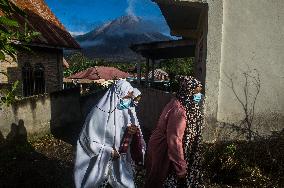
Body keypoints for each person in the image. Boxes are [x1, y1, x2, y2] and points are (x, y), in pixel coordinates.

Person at [74, 79, 145, 188]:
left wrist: (132, 132)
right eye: (126, 97)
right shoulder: (98, 114)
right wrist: (109, 151)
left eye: (130, 97)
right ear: (116, 96)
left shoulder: (127, 111)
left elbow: (131, 130)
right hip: (100, 162)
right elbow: (86, 141)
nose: (128, 101)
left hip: (120, 162)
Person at [145, 76, 204, 188]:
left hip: (166, 147)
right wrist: (181, 168)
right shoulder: (179, 110)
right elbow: (174, 140)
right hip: (164, 149)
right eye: (196, 92)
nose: (199, 96)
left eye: (200, 92)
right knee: (159, 180)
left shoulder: (183, 104)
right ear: (188, 91)